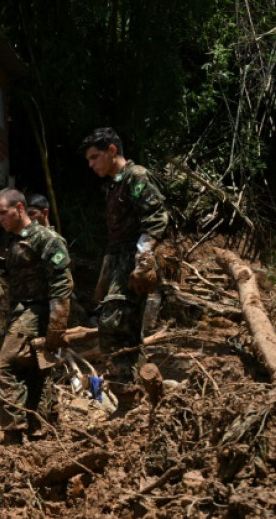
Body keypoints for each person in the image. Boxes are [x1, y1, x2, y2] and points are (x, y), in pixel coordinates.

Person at [80, 127, 168, 417]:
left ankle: (128, 398)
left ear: (112, 151)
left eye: (95, 157)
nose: (91, 164)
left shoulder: (136, 176)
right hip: (119, 260)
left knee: (113, 326)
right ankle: (139, 397)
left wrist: (143, 263)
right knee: (127, 331)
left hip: (133, 261)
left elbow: (156, 218)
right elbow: (114, 238)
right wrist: (103, 278)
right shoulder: (113, 185)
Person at [0, 188, 73, 445]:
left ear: (19, 208)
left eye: (3, 213)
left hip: (37, 311)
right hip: (20, 312)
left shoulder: (46, 238)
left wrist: (57, 326)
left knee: (5, 368)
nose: (0, 220)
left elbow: (62, 283)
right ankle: (39, 431)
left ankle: (13, 433)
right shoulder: (15, 240)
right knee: (35, 371)